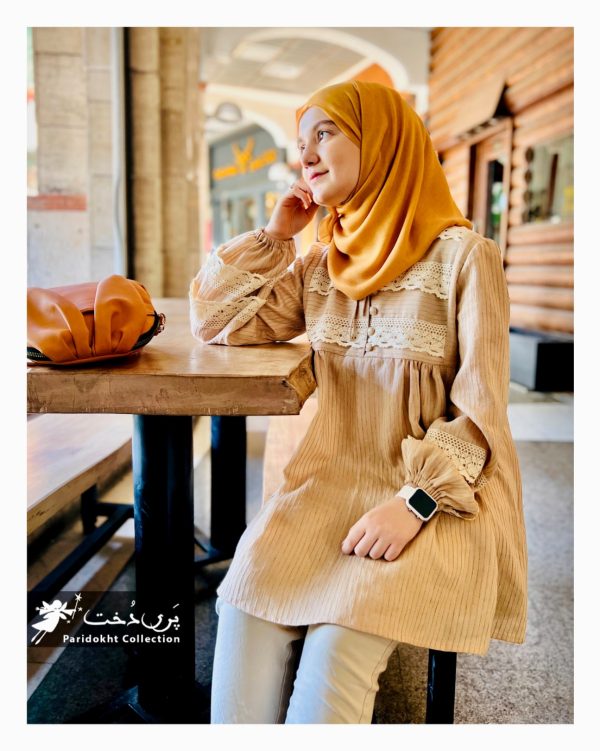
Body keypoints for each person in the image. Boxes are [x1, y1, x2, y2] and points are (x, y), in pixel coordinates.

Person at [189, 80, 527, 724]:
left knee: (337, 646)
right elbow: (218, 323)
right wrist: (276, 236)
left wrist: (416, 502)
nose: (307, 154)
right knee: (242, 604)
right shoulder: (323, 266)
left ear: (383, 144)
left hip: (427, 500)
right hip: (324, 487)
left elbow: (482, 415)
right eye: (302, 141)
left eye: (325, 133)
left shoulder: (466, 258)